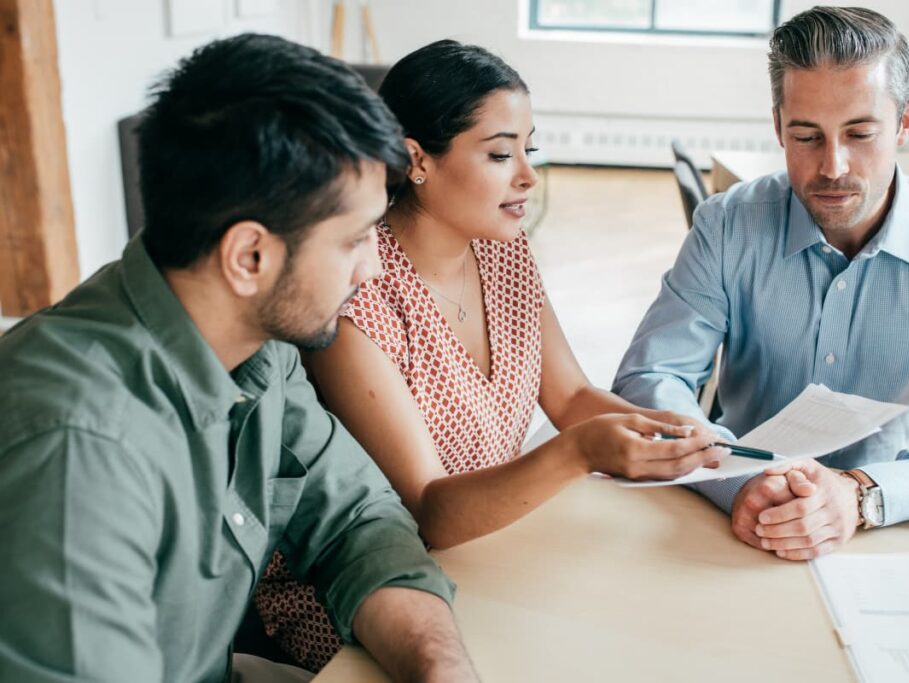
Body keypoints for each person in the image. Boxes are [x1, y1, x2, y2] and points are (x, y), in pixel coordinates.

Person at [0, 33, 478, 682]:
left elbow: (356, 516)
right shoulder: (78, 450)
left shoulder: (259, 345)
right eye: (355, 239)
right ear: (249, 256)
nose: (373, 267)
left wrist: (438, 666)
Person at [253, 39, 728, 670]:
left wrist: (678, 435)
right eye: (501, 153)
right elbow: (432, 513)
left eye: (528, 148)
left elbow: (571, 397)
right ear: (417, 159)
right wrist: (583, 450)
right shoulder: (356, 295)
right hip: (365, 595)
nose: (528, 174)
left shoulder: (504, 251)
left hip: (494, 550)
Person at [614, 6, 909, 561]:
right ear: (778, 125)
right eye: (807, 136)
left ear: (904, 123)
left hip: (896, 528)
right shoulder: (727, 225)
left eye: (860, 133)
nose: (833, 166)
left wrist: (862, 495)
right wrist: (736, 480)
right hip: (736, 520)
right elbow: (648, 378)